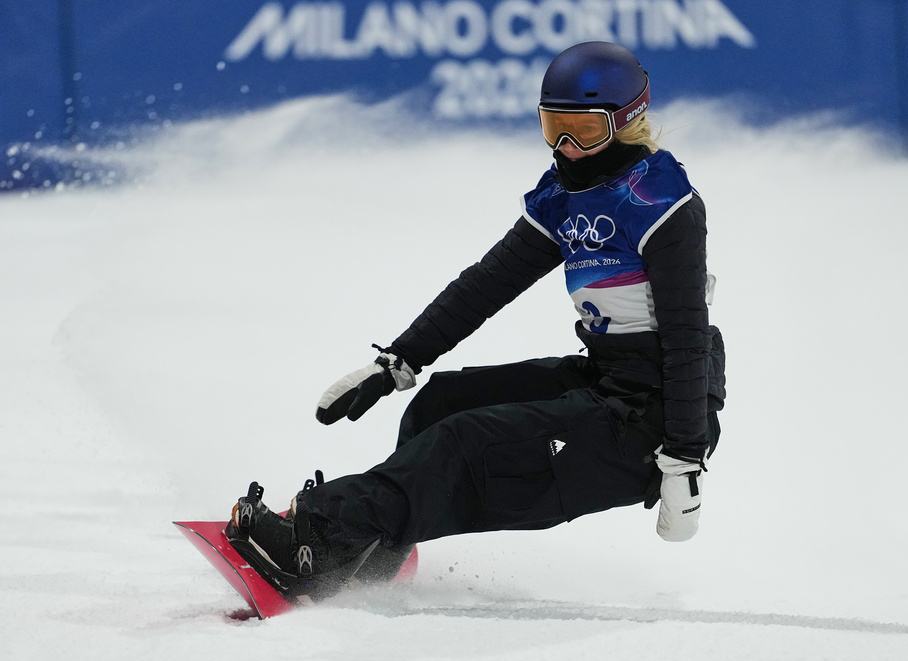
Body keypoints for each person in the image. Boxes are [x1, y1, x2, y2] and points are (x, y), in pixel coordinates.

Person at [226, 41, 726, 603]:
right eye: (554, 127)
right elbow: (489, 282)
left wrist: (684, 459)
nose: (567, 146)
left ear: (627, 122)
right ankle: (366, 553)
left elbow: (687, 339)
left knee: (462, 443)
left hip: (653, 419)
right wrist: (398, 360)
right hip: (611, 379)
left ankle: (318, 538)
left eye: (585, 130)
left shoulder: (662, 205)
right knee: (440, 407)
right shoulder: (565, 196)